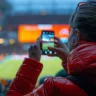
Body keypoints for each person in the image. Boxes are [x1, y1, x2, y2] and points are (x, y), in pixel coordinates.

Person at [7, 1, 96, 96]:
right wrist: (69, 61)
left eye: (70, 31)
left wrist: (32, 62)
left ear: (76, 36)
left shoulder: (54, 88)